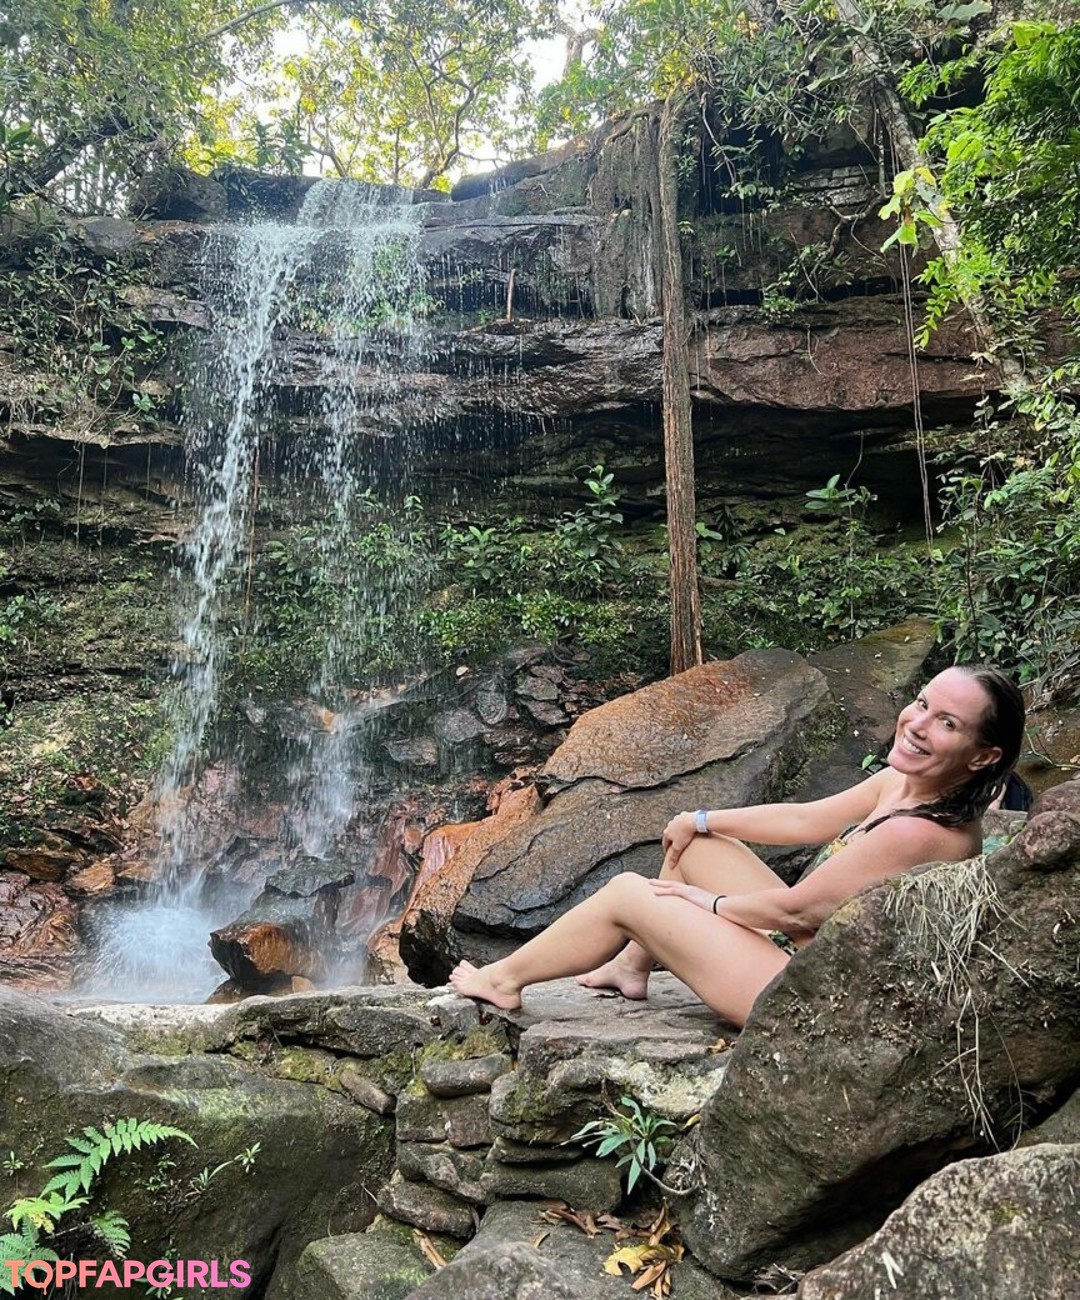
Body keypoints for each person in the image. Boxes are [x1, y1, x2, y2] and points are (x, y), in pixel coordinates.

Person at [449, 665, 1025, 1027]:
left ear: (984, 756)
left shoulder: (921, 831)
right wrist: (701, 817)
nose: (918, 723)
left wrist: (706, 904)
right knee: (699, 843)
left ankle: (503, 981)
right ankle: (632, 964)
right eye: (922, 703)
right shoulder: (904, 784)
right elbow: (807, 818)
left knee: (629, 893)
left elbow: (794, 911)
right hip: (810, 951)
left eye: (947, 723)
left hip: (815, 997)